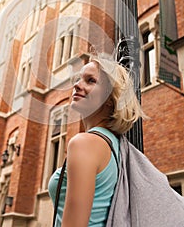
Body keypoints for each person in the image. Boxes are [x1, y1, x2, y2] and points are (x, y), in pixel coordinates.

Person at [48, 52, 145, 227]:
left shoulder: (84, 144)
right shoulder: (116, 146)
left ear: (110, 98)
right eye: (79, 79)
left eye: (90, 80)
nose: (77, 85)